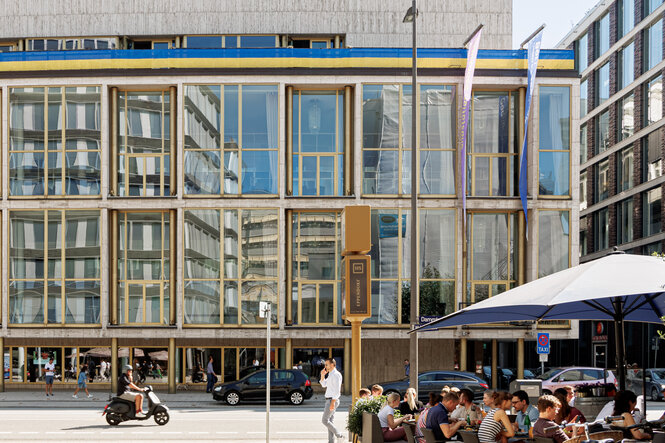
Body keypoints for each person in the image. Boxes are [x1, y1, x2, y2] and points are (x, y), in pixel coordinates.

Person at [319, 357, 345, 443]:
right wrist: (322, 375)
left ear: (332, 365)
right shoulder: (330, 374)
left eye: (327, 364)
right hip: (329, 400)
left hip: (332, 400)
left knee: (325, 420)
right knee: (330, 421)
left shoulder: (336, 375)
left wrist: (333, 403)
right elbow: (323, 385)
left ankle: (339, 435)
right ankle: (331, 441)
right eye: (325, 364)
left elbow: (337, 391)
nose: (325, 366)